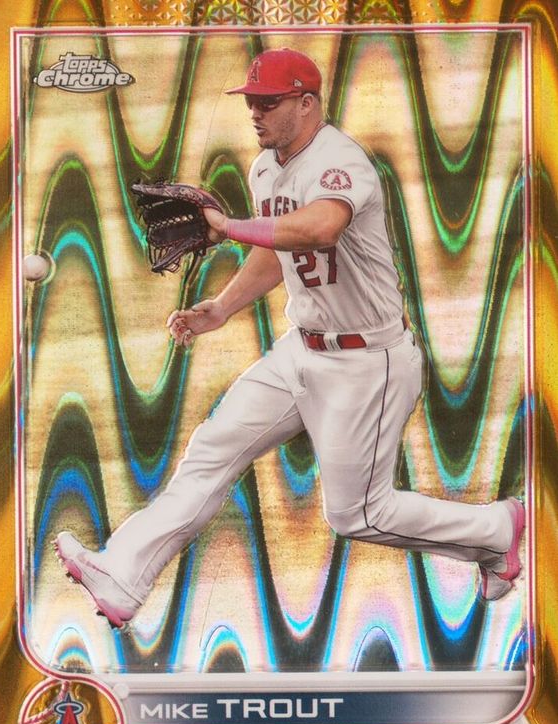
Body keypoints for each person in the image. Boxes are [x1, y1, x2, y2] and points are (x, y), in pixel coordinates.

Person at [55, 48, 525, 628]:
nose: (255, 112)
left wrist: (229, 227)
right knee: (212, 449)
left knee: (357, 515)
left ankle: (497, 529)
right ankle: (123, 576)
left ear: (307, 103)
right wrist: (222, 308)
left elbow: (320, 228)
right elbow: (278, 249)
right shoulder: (265, 168)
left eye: (268, 102)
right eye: (251, 102)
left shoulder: (339, 160)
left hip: (367, 362)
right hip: (300, 350)